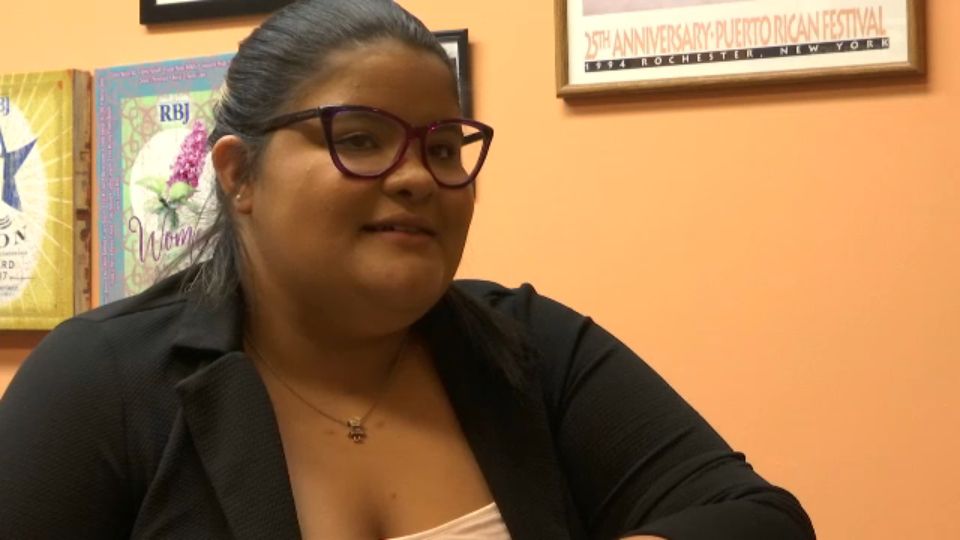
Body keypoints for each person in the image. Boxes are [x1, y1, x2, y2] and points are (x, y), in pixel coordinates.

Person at [0, 1, 815, 538]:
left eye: (442, 146)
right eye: (358, 138)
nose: (418, 175)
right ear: (237, 175)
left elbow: (758, 520)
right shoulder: (97, 384)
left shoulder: (531, 346)